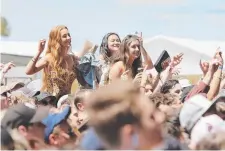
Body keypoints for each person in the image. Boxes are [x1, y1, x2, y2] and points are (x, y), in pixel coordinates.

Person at [25, 25, 83, 100]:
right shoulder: (49, 58)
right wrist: (39, 52)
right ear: (57, 39)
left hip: (68, 100)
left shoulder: (73, 58)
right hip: (50, 100)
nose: (69, 38)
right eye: (64, 36)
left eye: (69, 35)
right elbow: (28, 72)